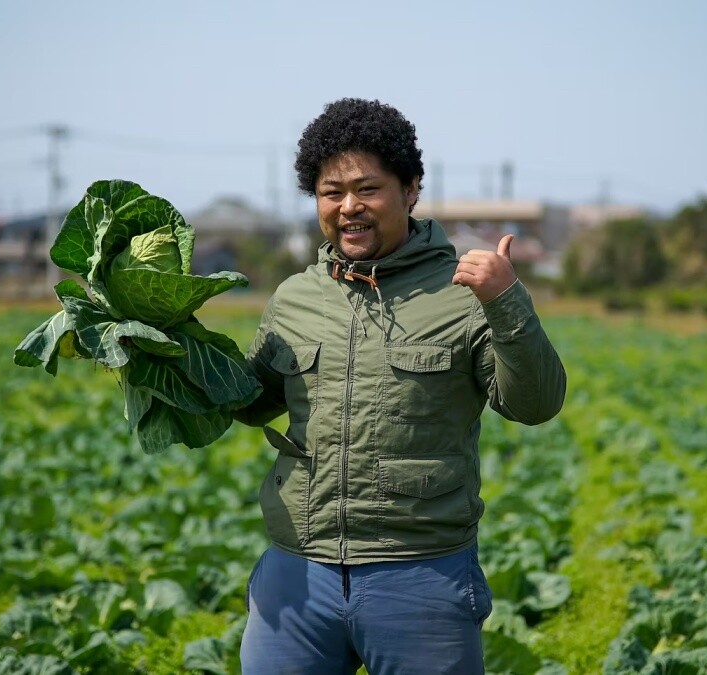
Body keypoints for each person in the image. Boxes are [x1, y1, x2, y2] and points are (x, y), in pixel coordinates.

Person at [233, 97, 567, 674]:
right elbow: (250, 401)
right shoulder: (294, 298)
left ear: (411, 189)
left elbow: (535, 404)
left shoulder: (463, 291)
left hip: (420, 574)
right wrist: (168, 350)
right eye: (331, 192)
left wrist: (507, 300)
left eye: (369, 188)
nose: (349, 207)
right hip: (298, 576)